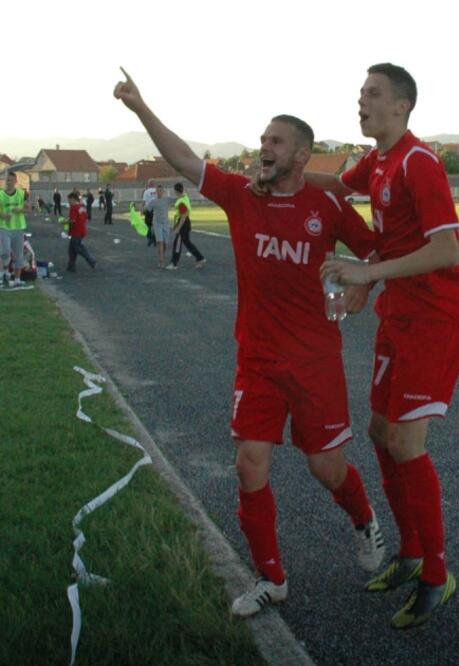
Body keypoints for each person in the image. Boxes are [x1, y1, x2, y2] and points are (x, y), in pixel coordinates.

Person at [114, 67, 386, 618]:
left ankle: (365, 521)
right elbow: (185, 160)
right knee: (248, 464)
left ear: (302, 155)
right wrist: (142, 108)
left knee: (326, 468)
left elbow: (377, 250)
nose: (264, 148)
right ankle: (271, 579)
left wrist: (364, 285)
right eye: (262, 139)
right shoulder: (242, 195)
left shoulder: (328, 205)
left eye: (275, 141)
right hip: (257, 359)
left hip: (315, 361)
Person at [299, 63, 459, 629]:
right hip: (399, 314)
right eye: (360, 93)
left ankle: (437, 575)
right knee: (379, 432)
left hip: (434, 318)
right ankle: (412, 551)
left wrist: (369, 273)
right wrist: (282, 171)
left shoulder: (419, 162)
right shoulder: (378, 160)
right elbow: (334, 184)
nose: (361, 101)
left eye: (372, 94)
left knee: (403, 438)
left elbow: (446, 250)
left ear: (402, 106)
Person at [165, 182, 206, 270]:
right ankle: (200, 258)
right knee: (187, 243)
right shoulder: (185, 197)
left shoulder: (181, 202)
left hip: (183, 224)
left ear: (176, 191)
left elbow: (183, 216)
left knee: (177, 244)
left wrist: (178, 228)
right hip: (186, 223)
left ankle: (174, 264)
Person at [0, 172, 29, 287]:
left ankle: (17, 279)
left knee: (18, 254)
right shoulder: (1, 194)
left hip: (18, 228)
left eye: (12, 180)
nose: (9, 182)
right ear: (4, 181)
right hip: (4, 227)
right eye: (7, 180)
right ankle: (3, 272)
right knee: (5, 252)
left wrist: (20, 210)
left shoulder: (22, 194)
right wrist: (3, 215)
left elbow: (29, 209)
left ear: (16, 182)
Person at [144, 185, 175, 267]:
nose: (159, 192)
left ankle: (162, 256)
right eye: (158, 191)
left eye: (161, 191)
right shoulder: (153, 201)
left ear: (163, 192)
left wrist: (183, 194)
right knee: (160, 242)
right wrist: (136, 208)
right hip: (157, 224)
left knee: (165, 243)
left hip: (166, 224)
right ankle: (161, 260)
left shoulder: (167, 199)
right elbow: (146, 209)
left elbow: (178, 199)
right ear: (156, 192)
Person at [66, 191, 97, 272]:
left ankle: (91, 260)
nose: (68, 202)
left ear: (73, 199)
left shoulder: (73, 207)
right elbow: (86, 216)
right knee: (72, 249)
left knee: (79, 249)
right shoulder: (82, 206)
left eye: (69, 200)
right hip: (82, 230)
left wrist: (65, 222)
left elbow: (73, 221)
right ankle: (71, 266)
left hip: (76, 231)